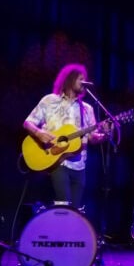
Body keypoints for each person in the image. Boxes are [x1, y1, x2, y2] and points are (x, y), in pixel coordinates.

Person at [23, 63, 108, 213]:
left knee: (74, 212)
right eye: (80, 79)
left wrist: (105, 134)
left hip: (80, 165)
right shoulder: (49, 101)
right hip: (57, 161)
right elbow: (28, 123)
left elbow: (93, 138)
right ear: (70, 79)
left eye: (85, 79)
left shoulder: (87, 109)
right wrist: (39, 133)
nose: (84, 82)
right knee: (64, 208)